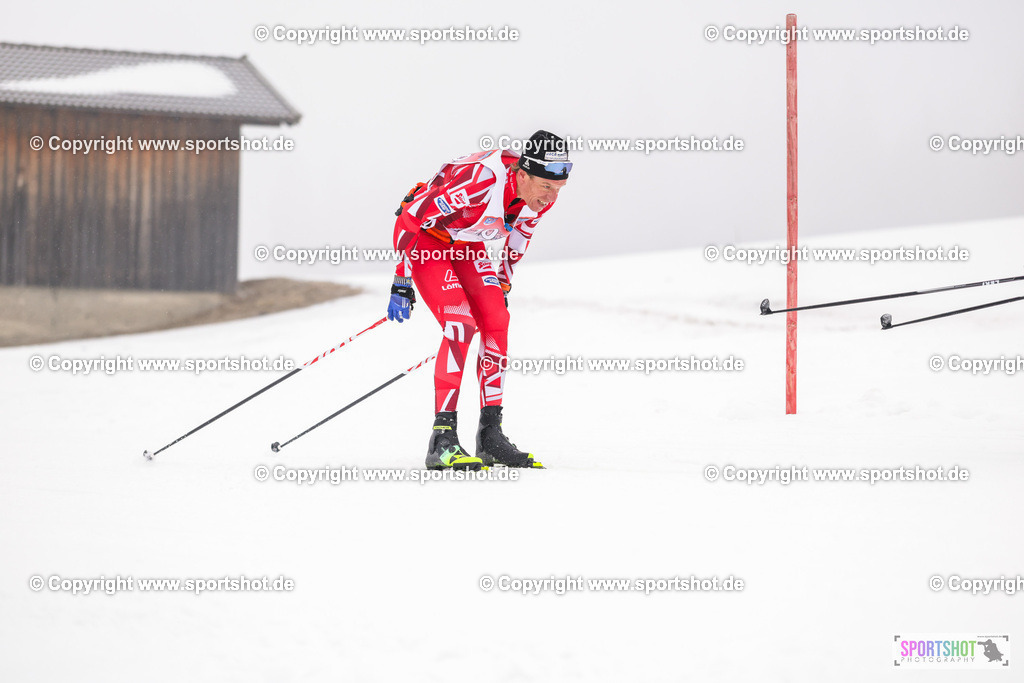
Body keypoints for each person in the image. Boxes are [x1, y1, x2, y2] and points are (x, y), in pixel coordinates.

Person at [386, 130, 571, 471]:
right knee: (461, 325)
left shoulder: (540, 196)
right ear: (522, 175)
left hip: (467, 243)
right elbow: (411, 217)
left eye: (559, 188)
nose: (551, 197)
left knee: (497, 319)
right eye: (546, 186)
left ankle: (490, 435)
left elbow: (521, 235)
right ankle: (442, 440)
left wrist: (503, 283)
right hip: (428, 241)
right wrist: (401, 279)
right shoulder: (481, 183)